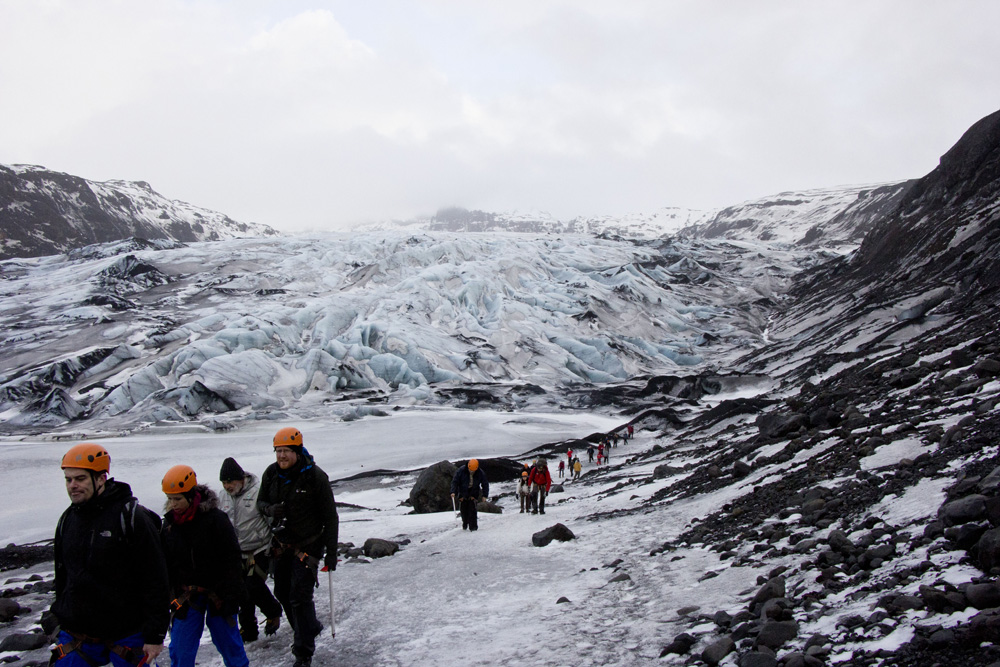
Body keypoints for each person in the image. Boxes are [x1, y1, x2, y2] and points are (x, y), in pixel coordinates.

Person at [52, 443, 170, 667]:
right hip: (79, 633)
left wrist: (155, 636)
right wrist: (59, 614)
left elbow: (156, 578)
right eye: (68, 480)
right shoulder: (67, 519)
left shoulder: (131, 517)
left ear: (100, 478)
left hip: (126, 632)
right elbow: (63, 574)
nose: (72, 486)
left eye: (80, 479)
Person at [257, 427, 339, 667]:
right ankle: (308, 627)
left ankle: (303, 652)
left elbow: (330, 517)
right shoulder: (271, 474)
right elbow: (261, 502)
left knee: (299, 597)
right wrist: (269, 510)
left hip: (309, 547)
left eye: (286, 451)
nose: (281, 456)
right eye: (278, 451)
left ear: (297, 451)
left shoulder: (314, 476)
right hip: (282, 546)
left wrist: (331, 553)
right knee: (282, 592)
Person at [160, 465, 248, 667]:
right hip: (186, 596)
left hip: (219, 594)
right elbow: (166, 563)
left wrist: (232, 595)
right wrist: (169, 594)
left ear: (191, 496)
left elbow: (232, 559)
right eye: (169, 499)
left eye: (177, 499)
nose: (173, 505)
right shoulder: (170, 525)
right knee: (181, 652)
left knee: (230, 647)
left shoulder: (216, 520)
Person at [218, 457, 283, 643]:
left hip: (259, 548)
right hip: (236, 551)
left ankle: (273, 611)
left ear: (241, 478)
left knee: (252, 586)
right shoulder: (222, 496)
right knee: (241, 592)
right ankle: (248, 630)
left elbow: (271, 518)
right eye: (224, 482)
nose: (227, 486)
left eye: (230, 481)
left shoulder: (257, 491)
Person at [451, 458, 490, 530]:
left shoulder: (480, 472)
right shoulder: (461, 471)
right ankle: (465, 524)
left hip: (473, 492)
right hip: (463, 492)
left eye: (473, 470)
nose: (471, 471)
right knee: (464, 510)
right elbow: (455, 481)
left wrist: (485, 495)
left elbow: (485, 483)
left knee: (472, 511)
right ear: (468, 466)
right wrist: (453, 491)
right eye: (470, 470)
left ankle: (473, 528)